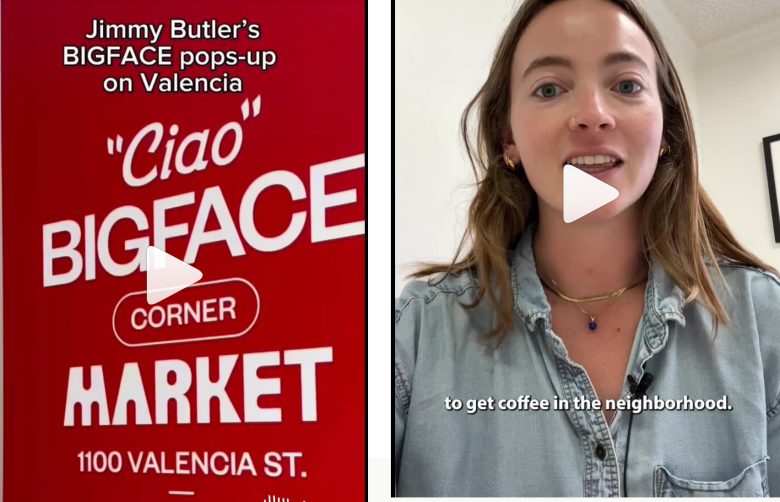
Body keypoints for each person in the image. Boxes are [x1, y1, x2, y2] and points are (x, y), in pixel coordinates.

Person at [394, 0, 780, 496]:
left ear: (666, 130)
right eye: (549, 88)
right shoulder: (414, 335)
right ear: (507, 137)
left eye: (625, 85)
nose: (592, 115)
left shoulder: (763, 320)